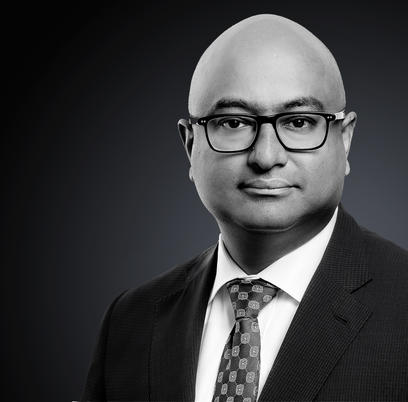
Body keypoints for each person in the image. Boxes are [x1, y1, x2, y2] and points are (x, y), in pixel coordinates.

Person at [81, 14, 408, 402]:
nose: (266, 157)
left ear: (345, 139)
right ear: (190, 145)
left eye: (299, 121)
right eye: (234, 122)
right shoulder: (131, 320)